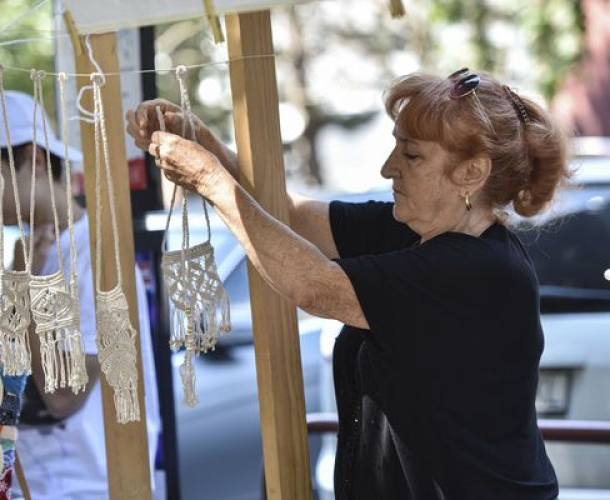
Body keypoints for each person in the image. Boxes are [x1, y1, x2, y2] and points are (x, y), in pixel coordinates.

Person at [127, 69, 569, 499]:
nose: (387, 168)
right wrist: (207, 146)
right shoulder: (415, 231)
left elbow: (314, 287)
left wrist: (208, 179)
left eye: (411, 155)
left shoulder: (479, 271)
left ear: (471, 173)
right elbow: (289, 215)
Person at [0, 91, 160, 499]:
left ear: (34, 160)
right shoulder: (35, 249)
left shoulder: (95, 248)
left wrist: (26, 285)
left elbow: (63, 395)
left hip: (91, 487)